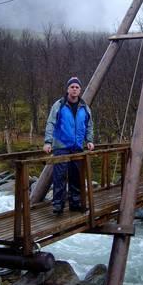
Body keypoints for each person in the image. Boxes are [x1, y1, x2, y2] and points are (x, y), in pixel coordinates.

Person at [43, 77, 94, 215]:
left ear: (80, 90)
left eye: (77, 87)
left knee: (76, 176)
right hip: (61, 146)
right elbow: (51, 123)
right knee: (59, 177)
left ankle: (75, 204)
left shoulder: (84, 107)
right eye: (72, 87)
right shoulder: (59, 105)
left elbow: (89, 125)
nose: (74, 89)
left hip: (77, 146)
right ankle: (58, 205)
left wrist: (89, 140)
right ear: (67, 89)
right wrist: (48, 142)